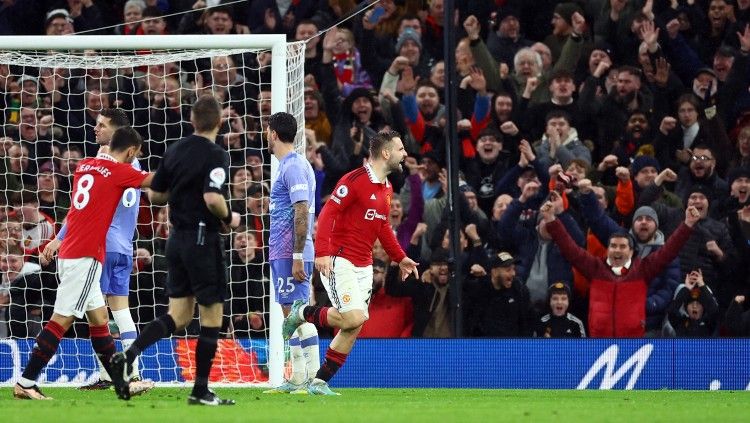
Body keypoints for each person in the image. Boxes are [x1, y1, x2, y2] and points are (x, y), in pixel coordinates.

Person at [109, 95, 240, 406]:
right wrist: (229, 217)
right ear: (218, 123)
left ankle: (128, 355)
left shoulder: (175, 150)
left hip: (176, 240)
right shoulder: (217, 155)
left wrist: (180, 193)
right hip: (201, 239)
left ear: (192, 121)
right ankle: (201, 390)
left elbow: (154, 196)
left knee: (178, 316)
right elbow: (212, 197)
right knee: (212, 315)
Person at [13, 127, 153, 400]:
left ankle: (122, 383)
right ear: (132, 152)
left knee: (100, 319)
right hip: (85, 257)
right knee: (61, 320)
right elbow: (154, 181)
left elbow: (80, 208)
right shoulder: (119, 172)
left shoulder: (85, 166)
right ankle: (26, 382)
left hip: (71, 251)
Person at [282, 130, 419, 395]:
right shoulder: (354, 180)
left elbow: (383, 228)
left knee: (354, 325)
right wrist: (321, 253)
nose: (405, 155)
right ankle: (302, 312)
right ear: (386, 153)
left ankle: (320, 382)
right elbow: (327, 214)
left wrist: (400, 257)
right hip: (338, 260)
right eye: (401, 149)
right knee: (353, 317)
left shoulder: (387, 188)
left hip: (364, 265)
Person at [45, 108, 149, 390]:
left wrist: (59, 238)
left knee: (97, 314)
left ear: (116, 132)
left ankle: (108, 375)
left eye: (101, 126)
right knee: (121, 310)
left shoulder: (103, 164)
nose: (96, 129)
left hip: (101, 245)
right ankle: (133, 372)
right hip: (125, 246)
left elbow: (83, 209)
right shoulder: (134, 165)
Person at [539, 196, 700, 337]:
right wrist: (551, 220)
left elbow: (669, 251)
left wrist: (687, 224)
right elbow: (570, 249)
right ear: (608, 250)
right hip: (599, 343)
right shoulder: (595, 268)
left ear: (631, 252)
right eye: (613, 246)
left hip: (633, 345)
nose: (617, 250)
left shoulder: (642, 270)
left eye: (622, 247)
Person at [261, 112, 320, 394]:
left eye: (266, 130)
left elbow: (301, 210)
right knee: (291, 316)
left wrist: (297, 255)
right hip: (284, 251)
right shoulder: (289, 166)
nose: (265, 135)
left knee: (299, 313)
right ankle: (297, 378)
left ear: (273, 133)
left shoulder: (294, 166)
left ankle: (316, 379)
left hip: (291, 252)